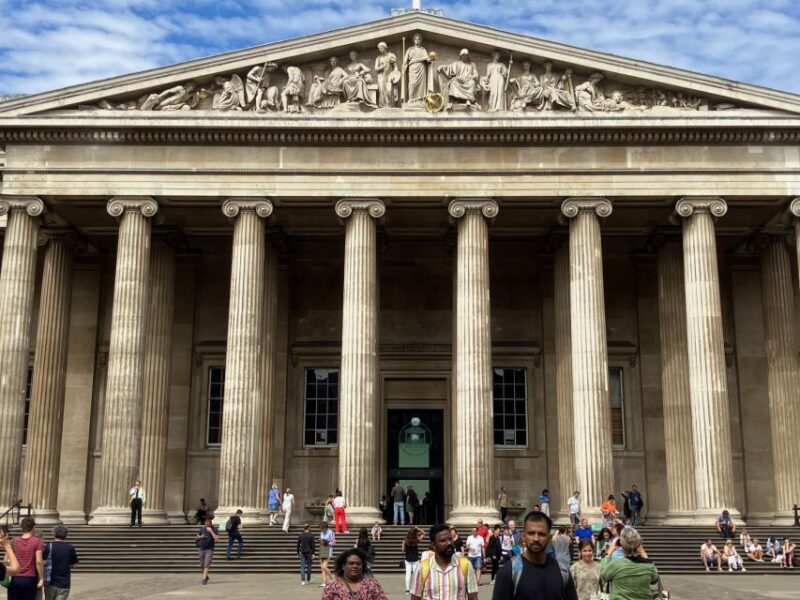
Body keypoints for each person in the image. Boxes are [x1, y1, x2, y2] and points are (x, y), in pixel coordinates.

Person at [491, 511, 577, 600]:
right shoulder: (509, 572)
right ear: (524, 536)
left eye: (541, 534)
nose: (536, 539)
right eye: (531, 533)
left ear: (549, 538)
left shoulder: (562, 572)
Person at [410, 523, 478, 600]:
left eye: (450, 539)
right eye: (443, 541)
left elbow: (473, 597)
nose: (449, 543)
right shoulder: (422, 568)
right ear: (434, 545)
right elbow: (415, 598)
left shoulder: (465, 565)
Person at [600, 528, 658, 600]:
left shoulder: (617, 564)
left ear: (621, 544)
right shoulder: (648, 565)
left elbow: (603, 575)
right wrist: (643, 552)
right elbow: (655, 579)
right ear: (639, 544)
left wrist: (609, 552)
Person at [321, 548, 388, 600]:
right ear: (343, 566)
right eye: (351, 563)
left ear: (362, 566)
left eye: (358, 564)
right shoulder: (332, 587)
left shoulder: (372, 585)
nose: (355, 566)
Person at [8, 516, 44, 600]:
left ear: (22, 527)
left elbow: (8, 559)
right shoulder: (37, 541)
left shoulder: (14, 541)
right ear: (33, 527)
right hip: (30, 578)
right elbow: (39, 561)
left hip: (15, 577)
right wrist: (42, 578)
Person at [43, 524, 79, 600]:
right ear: (66, 535)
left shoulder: (49, 546)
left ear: (54, 534)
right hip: (64, 582)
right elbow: (75, 565)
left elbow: (43, 562)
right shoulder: (70, 547)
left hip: (50, 581)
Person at [195, 516, 219, 585]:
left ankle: (204, 579)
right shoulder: (202, 529)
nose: (207, 524)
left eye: (208, 523)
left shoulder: (214, 529)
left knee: (206, 564)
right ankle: (206, 576)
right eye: (206, 523)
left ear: (211, 523)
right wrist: (200, 537)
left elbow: (217, 539)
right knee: (202, 564)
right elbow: (196, 537)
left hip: (209, 549)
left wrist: (211, 532)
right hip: (201, 548)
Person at [402, 526, 423, 594]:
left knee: (408, 574)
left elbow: (403, 550)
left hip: (408, 559)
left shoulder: (405, 541)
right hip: (415, 559)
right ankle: (414, 588)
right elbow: (424, 533)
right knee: (415, 574)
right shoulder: (416, 540)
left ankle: (407, 589)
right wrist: (417, 528)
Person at [320, 521, 336, 587]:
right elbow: (321, 540)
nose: (322, 530)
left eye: (322, 528)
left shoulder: (330, 532)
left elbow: (334, 542)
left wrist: (328, 543)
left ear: (325, 527)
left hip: (328, 549)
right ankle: (324, 581)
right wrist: (321, 541)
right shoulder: (321, 532)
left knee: (324, 566)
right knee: (322, 567)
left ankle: (332, 578)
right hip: (322, 549)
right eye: (321, 528)